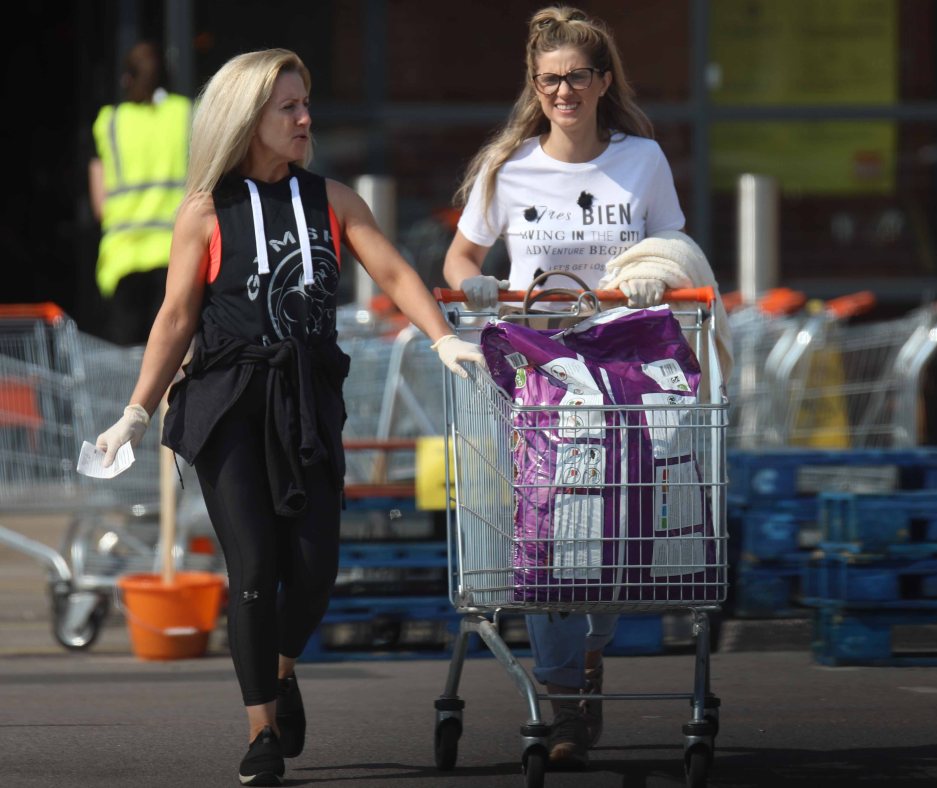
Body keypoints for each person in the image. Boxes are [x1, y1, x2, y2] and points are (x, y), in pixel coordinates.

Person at [94, 48, 484, 786]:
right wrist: (135, 414)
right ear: (249, 118)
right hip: (227, 403)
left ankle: (280, 665)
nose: (305, 118)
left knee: (313, 572)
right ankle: (260, 732)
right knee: (253, 569)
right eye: (288, 108)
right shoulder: (204, 212)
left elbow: (395, 270)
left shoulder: (331, 200)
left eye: (306, 105)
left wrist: (444, 338)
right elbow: (176, 317)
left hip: (306, 401)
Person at [443, 5, 730, 769]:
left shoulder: (640, 161)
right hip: (540, 373)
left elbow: (673, 248)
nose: (561, 92)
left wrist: (654, 283)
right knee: (547, 527)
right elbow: (459, 259)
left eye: (575, 78)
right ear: (533, 88)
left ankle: (588, 654)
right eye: (547, 81)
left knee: (609, 532)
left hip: (625, 368)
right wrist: (480, 289)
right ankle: (562, 695)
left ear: (603, 82)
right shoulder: (508, 169)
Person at [89, 41, 192, 345]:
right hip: (177, 255)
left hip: (123, 257)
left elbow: (99, 205)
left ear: (126, 79)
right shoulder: (186, 114)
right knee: (173, 354)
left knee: (127, 363)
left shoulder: (109, 122)